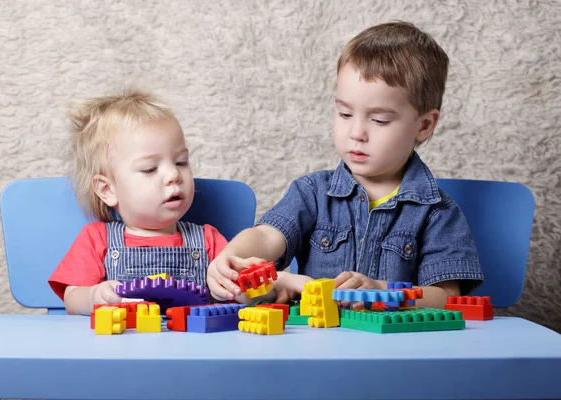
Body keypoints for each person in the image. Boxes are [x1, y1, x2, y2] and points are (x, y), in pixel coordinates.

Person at [207, 21, 484, 309]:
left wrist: (381, 291)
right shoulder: (313, 192)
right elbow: (267, 235)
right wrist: (232, 257)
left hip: (397, 349)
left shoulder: (438, 213)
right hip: (319, 343)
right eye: (345, 113)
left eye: (379, 120)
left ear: (424, 125)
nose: (356, 133)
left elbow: (448, 297)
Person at [48, 88, 232, 315]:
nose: (173, 175)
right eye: (150, 168)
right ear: (107, 189)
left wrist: (255, 285)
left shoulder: (208, 241)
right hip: (124, 346)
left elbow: (234, 290)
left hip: (191, 346)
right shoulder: (97, 239)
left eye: (181, 162)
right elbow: (72, 299)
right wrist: (95, 296)